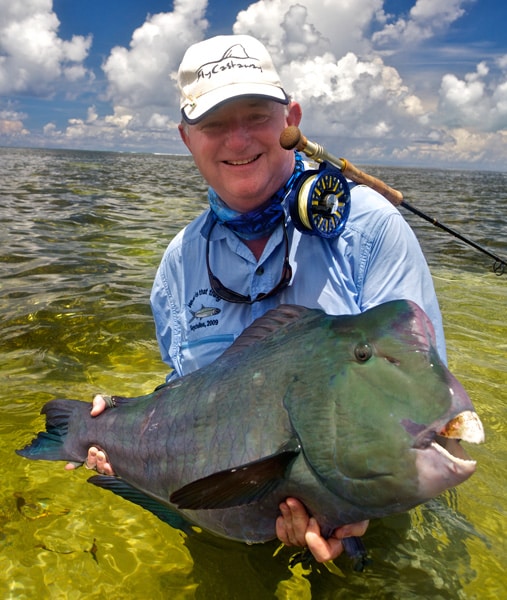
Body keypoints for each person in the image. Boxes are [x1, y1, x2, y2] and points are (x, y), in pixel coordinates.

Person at [70, 34, 446, 563]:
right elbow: (188, 396)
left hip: (367, 515)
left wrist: (358, 501)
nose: (238, 140)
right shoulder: (178, 263)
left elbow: (425, 407)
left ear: (291, 119)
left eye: (256, 116)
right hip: (225, 512)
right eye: (213, 124)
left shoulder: (371, 229)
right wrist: (124, 422)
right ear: (186, 138)